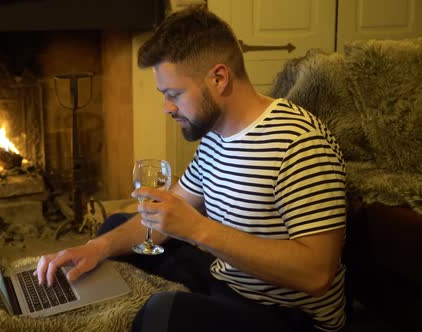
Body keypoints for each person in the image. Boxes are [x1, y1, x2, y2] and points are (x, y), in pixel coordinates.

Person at [35, 5, 347, 332]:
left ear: (219, 78)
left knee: (165, 313)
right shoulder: (214, 137)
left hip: (288, 316)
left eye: (174, 94)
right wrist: (93, 248)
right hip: (227, 282)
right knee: (116, 226)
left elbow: (317, 275)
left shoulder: (299, 143)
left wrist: (196, 229)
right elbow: (167, 216)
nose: (167, 108)